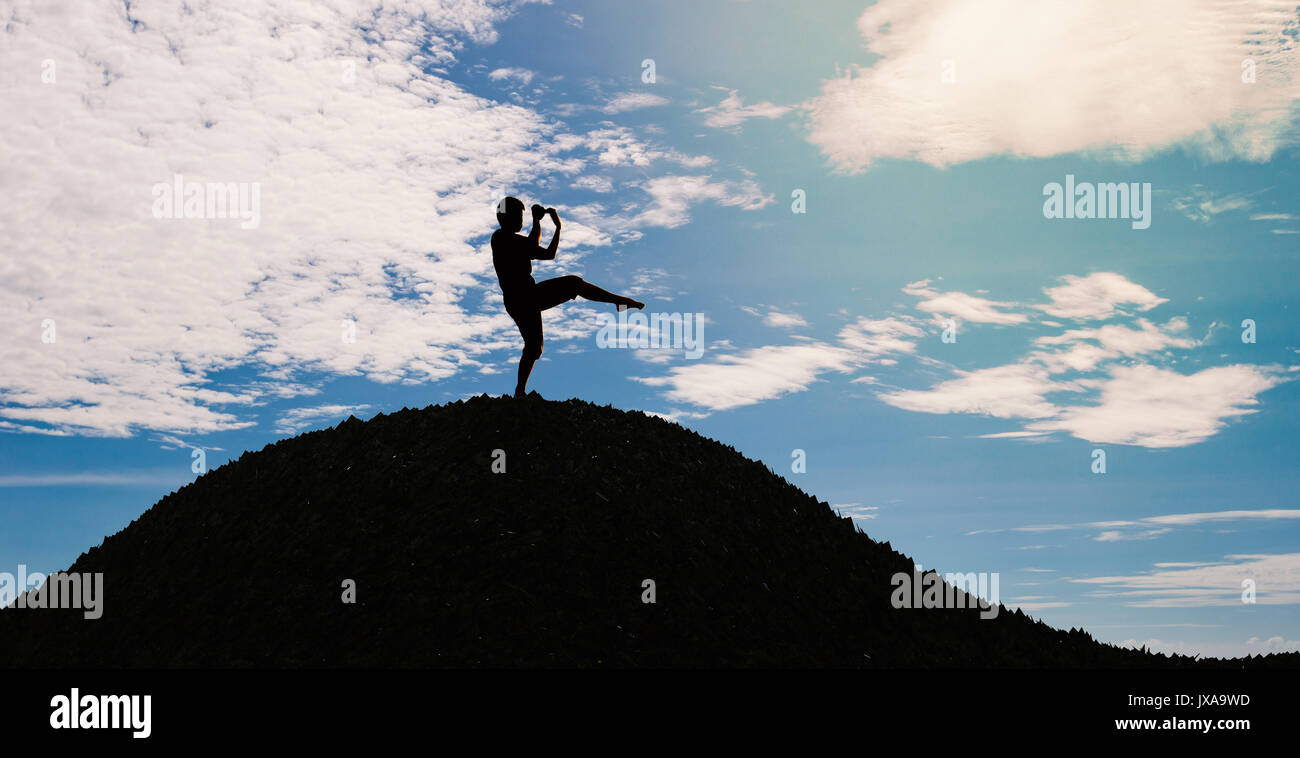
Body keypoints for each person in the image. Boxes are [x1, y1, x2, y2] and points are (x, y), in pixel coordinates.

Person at [491, 197, 644, 398]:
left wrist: (557, 228)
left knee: (535, 348)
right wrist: (537, 221)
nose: (522, 219)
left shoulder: (515, 241)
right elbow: (531, 244)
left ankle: (520, 391)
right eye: (519, 215)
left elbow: (549, 254)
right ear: (506, 217)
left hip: (527, 297)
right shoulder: (501, 238)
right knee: (574, 283)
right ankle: (619, 301)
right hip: (522, 297)